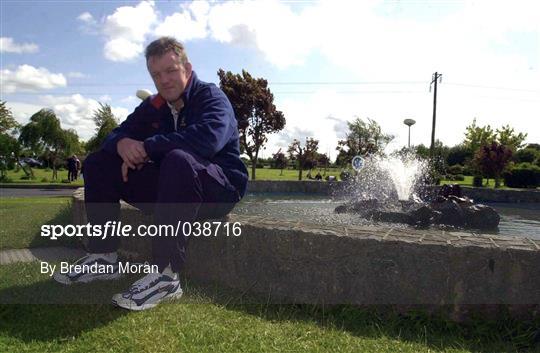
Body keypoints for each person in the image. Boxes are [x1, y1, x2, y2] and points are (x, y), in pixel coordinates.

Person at [53, 37, 249, 310]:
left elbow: (207, 141)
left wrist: (146, 147)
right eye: (156, 75)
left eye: (170, 71)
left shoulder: (211, 97)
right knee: (98, 162)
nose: (164, 80)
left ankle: (166, 276)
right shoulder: (156, 104)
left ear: (187, 68)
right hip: (175, 188)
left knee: (178, 159)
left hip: (219, 190)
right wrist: (123, 145)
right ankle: (103, 257)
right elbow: (116, 133)